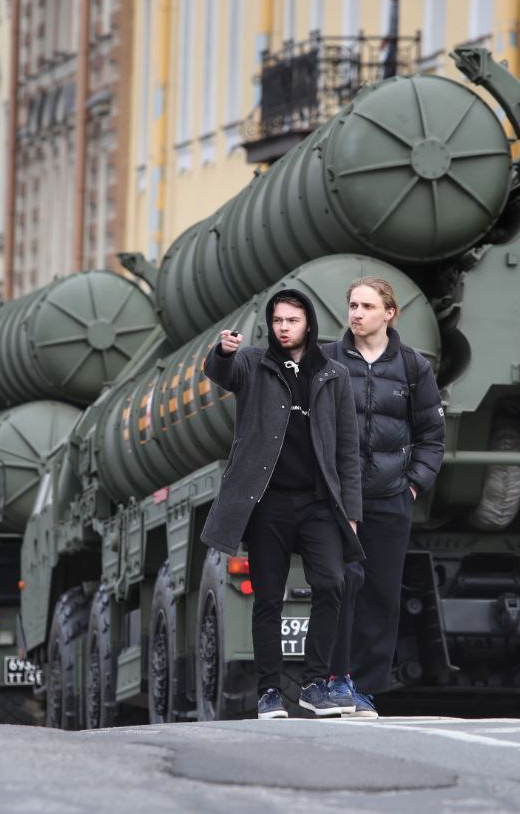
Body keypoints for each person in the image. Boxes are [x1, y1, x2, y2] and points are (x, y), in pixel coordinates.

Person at [201, 290, 364, 719]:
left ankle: (313, 685)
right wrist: (222, 351)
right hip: (268, 503)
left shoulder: (334, 375)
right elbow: (221, 373)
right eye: (277, 320)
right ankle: (270, 692)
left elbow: (347, 449)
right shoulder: (254, 365)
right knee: (268, 598)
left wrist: (351, 511)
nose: (284, 327)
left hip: (318, 504)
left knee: (332, 583)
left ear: (308, 323)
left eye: (292, 319)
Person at [325, 277, 445, 718]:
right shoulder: (328, 361)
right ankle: (334, 679)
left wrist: (413, 484)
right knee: (340, 585)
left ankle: (365, 688)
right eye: (352, 305)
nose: (356, 313)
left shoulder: (413, 368)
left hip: (391, 498)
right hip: (339, 499)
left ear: (389, 313)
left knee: (380, 593)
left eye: (367, 306)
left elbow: (433, 436)